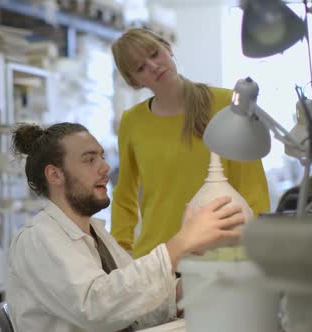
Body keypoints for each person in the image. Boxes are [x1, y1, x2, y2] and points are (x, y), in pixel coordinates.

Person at [6, 122, 245, 331]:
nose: (105, 167)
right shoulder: (37, 239)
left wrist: (200, 280)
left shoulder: (96, 233)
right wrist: (178, 246)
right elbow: (97, 308)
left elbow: (134, 306)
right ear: (55, 175)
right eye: (89, 160)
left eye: (101, 156)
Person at [110, 28, 270, 258]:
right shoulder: (132, 121)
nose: (153, 66)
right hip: (158, 255)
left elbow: (251, 183)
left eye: (154, 54)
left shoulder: (226, 104)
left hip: (220, 250)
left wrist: (257, 242)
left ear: (168, 48)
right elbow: (124, 194)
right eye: (140, 68)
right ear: (134, 81)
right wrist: (120, 251)